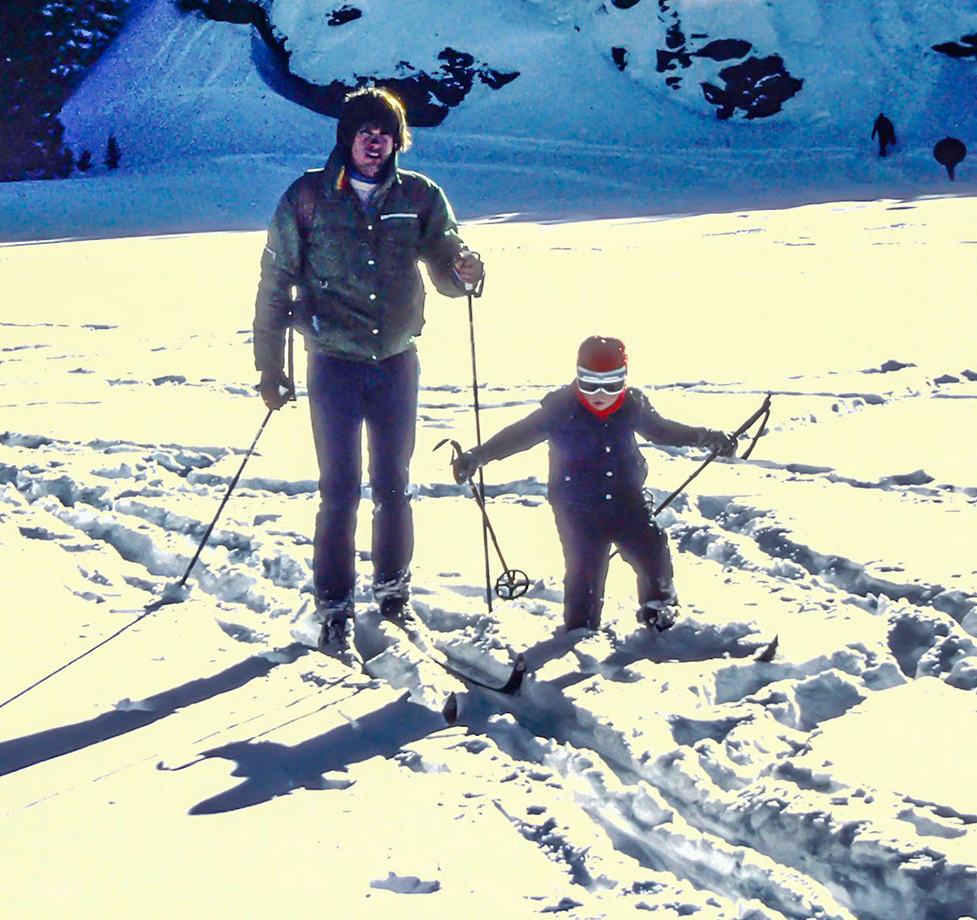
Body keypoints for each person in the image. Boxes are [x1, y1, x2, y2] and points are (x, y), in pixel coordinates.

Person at [253, 86, 485, 653]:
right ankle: (333, 606)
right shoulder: (308, 197)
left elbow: (447, 270)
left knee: (393, 487)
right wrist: (269, 368)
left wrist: (464, 269)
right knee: (338, 491)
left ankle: (393, 595)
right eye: (365, 131)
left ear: (397, 141)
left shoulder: (421, 197)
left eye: (385, 132)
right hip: (332, 362)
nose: (374, 141)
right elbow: (274, 284)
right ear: (347, 137)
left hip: (396, 363)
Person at [449, 336, 736, 634]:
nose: (600, 393)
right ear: (577, 376)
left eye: (611, 384)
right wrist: (478, 456)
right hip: (577, 508)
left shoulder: (632, 406)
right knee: (585, 570)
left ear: (624, 380)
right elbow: (519, 435)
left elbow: (663, 431)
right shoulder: (559, 409)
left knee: (652, 550)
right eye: (589, 382)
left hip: (627, 500)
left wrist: (706, 437)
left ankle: (659, 610)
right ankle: (580, 630)